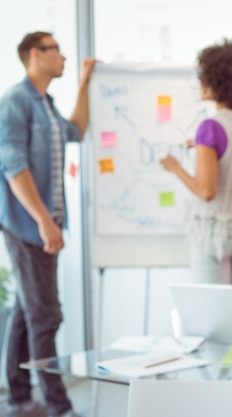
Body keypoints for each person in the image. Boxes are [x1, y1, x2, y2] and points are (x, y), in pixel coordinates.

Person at [0, 32, 96, 417]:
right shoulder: (15, 103)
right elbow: (13, 166)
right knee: (46, 315)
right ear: (36, 55)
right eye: (57, 50)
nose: (64, 58)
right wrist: (43, 220)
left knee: (28, 309)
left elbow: (78, 131)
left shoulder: (47, 105)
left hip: (46, 222)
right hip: (27, 225)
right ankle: (58, 406)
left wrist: (86, 85)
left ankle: (19, 396)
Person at [160, 38, 232, 285]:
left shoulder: (210, 127)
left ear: (215, 81)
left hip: (215, 234)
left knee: (214, 312)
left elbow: (207, 192)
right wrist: (205, 148)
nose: (200, 82)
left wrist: (176, 168)